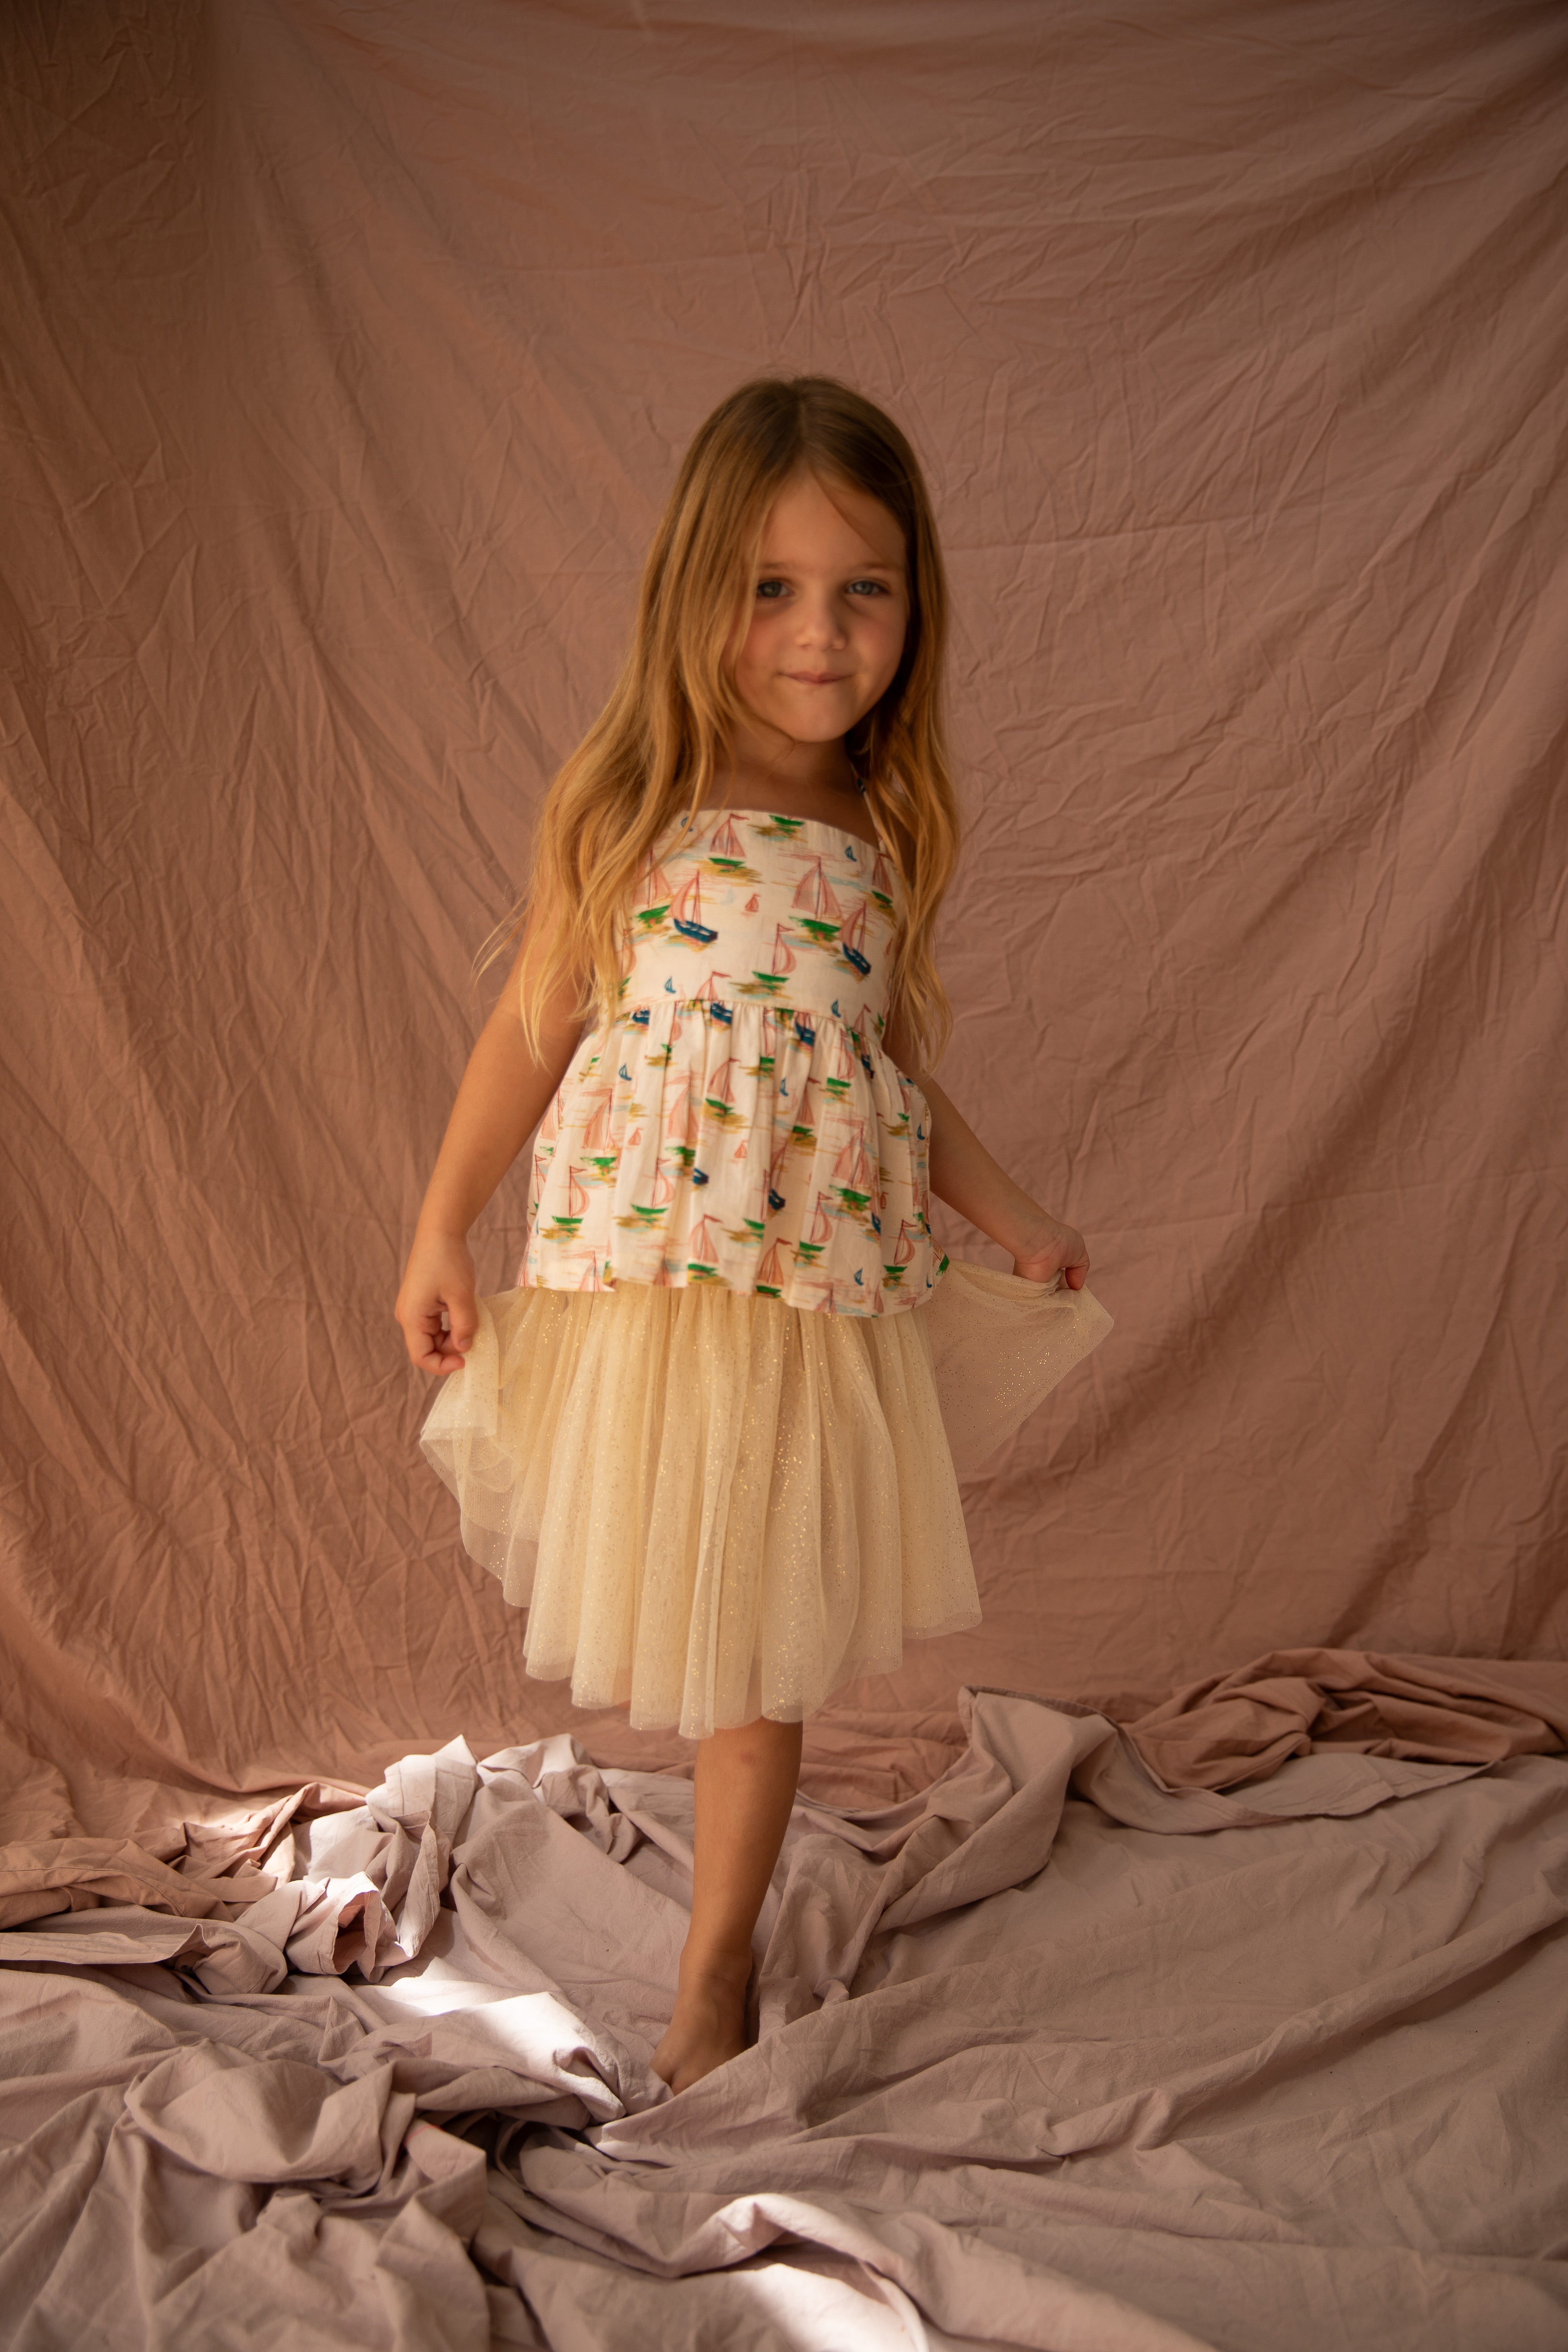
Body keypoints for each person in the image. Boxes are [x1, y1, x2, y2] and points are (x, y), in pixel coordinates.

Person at [395, 376, 1102, 2092]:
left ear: (912, 606)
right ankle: (704, 1953)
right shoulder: (637, 796)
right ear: (698, 596)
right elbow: (530, 1025)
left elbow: (890, 1080)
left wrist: (1015, 1224)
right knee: (687, 1619)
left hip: (802, 1300)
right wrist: (436, 1228)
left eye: (863, 588)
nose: (818, 632)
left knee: (760, 1661)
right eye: (772, 588)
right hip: (650, 1290)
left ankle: (714, 1980)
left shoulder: (886, 829)